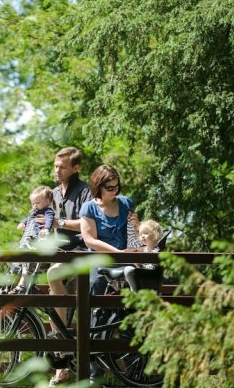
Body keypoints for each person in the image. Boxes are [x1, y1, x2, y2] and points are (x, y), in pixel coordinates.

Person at [79, 164, 138, 384]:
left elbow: (134, 230)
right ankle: (95, 371)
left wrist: (140, 245)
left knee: (131, 312)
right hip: (100, 261)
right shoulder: (88, 208)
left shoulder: (126, 203)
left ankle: (134, 368)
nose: (115, 191)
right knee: (96, 311)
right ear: (98, 186)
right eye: (110, 188)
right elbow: (89, 240)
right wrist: (117, 252)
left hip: (126, 262)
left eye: (117, 187)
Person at [44, 147, 91, 387]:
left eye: (62, 166)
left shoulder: (85, 192)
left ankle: (60, 338)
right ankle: (61, 365)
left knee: (53, 274)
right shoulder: (52, 193)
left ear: (76, 168)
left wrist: (58, 222)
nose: (57, 170)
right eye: (55, 165)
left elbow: (85, 225)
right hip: (59, 252)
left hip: (80, 253)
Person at [0, 186, 54, 294]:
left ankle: (22, 285)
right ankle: (6, 287)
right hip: (25, 240)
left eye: (38, 203)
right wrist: (22, 223)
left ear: (48, 201)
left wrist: (47, 228)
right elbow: (28, 219)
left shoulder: (47, 211)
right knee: (14, 263)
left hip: (34, 241)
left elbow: (49, 220)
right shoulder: (33, 213)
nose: (35, 205)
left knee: (27, 262)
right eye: (33, 203)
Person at [123, 219, 162, 291]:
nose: (142, 236)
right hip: (142, 278)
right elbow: (142, 267)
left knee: (129, 270)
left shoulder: (157, 251)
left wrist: (141, 266)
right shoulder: (144, 249)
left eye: (146, 233)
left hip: (150, 280)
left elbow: (152, 268)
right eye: (141, 234)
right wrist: (138, 264)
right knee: (127, 269)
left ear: (156, 234)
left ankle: (134, 292)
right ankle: (133, 291)